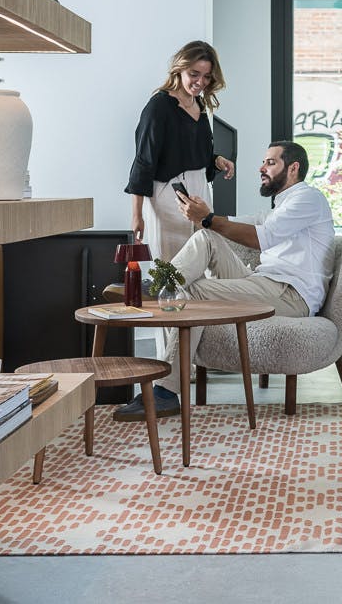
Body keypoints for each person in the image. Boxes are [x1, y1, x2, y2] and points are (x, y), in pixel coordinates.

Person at [114, 141, 335, 421]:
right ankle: (159, 286)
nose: (261, 168)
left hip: (290, 295)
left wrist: (207, 218)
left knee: (193, 292)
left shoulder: (308, 198)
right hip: (263, 283)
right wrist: (206, 216)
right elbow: (246, 222)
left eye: (270, 163)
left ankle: (165, 393)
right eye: (264, 161)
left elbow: (262, 237)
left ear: (293, 168)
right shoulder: (283, 204)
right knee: (207, 238)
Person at [119, 41, 236, 420]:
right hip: (168, 197)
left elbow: (196, 154)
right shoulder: (159, 106)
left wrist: (217, 160)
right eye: (193, 74)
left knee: (197, 279)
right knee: (171, 283)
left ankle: (188, 362)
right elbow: (143, 160)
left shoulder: (201, 107)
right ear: (179, 70)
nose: (199, 82)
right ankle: (167, 373)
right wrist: (137, 214)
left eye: (206, 76)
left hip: (200, 193)